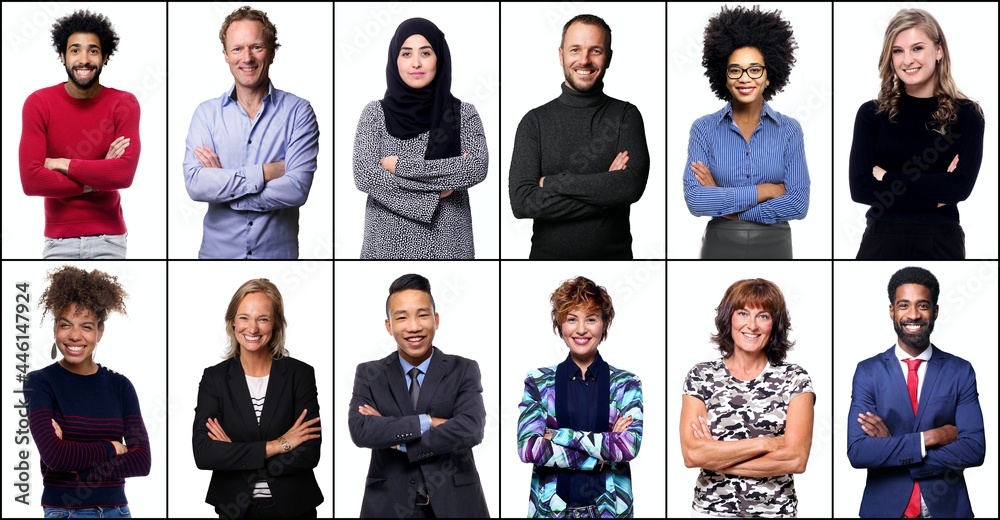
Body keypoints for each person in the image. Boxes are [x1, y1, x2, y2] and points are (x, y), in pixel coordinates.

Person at [847, 267, 985, 518]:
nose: (913, 315)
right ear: (891, 311)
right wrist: (931, 437)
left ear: (935, 311)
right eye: (903, 306)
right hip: (884, 509)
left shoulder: (960, 370)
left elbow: (974, 450)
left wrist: (891, 449)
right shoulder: (867, 372)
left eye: (922, 306)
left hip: (948, 509)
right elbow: (858, 452)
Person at [509, 14, 650, 259]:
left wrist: (551, 183)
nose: (584, 60)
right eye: (575, 50)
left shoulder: (626, 116)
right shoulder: (534, 122)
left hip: (614, 264)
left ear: (609, 58)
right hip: (546, 263)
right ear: (561, 55)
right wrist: (606, 197)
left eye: (595, 50)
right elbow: (523, 203)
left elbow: (630, 187)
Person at [184, 5, 319, 259]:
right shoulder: (206, 114)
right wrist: (265, 172)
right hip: (216, 258)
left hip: (278, 260)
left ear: (272, 52)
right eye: (237, 48)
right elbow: (196, 185)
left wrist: (226, 188)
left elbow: (296, 189)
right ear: (226, 54)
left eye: (256, 47)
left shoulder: (299, 112)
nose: (247, 58)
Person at [348, 273, 489, 517]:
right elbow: (361, 430)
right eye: (401, 317)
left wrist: (401, 442)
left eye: (423, 315)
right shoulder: (370, 373)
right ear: (389, 326)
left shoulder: (463, 368)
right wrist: (429, 422)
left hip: (456, 505)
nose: (414, 326)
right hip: (388, 506)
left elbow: (471, 429)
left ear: (436, 319)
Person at [848, 9, 984, 259]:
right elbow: (860, 189)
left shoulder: (967, 115)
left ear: (939, 50)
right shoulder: (871, 114)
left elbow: (959, 189)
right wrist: (935, 195)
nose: (907, 60)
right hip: (881, 239)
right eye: (898, 51)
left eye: (917, 48)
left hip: (940, 240)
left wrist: (887, 176)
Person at [353, 18, 488, 259]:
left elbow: (475, 168)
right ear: (395, 60)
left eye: (425, 53)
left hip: (448, 244)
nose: (416, 63)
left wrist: (399, 166)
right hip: (386, 246)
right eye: (406, 54)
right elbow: (365, 176)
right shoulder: (375, 113)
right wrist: (437, 191)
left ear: (440, 58)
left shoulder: (462, 114)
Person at [682, 6, 810, 259]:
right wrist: (766, 190)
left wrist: (728, 206)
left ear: (768, 76)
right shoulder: (703, 129)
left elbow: (798, 203)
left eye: (754, 69)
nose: (745, 78)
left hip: (776, 243)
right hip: (720, 243)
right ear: (724, 76)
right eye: (735, 70)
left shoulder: (789, 130)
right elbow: (696, 201)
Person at [680, 278, 814, 517]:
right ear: (728, 318)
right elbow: (692, 455)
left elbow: (795, 459)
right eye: (743, 313)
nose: (752, 325)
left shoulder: (795, 378)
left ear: (774, 324)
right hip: (711, 512)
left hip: (775, 512)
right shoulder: (701, 375)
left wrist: (715, 454)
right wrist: (768, 443)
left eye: (763, 316)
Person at [23, 266, 151, 517]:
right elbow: (55, 457)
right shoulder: (39, 383)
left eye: (87, 326)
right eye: (65, 324)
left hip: (117, 511)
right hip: (65, 511)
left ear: (100, 332)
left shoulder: (121, 386)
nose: (74, 336)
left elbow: (142, 461)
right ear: (54, 328)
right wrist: (112, 447)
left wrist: (74, 464)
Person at [192, 279, 323, 518]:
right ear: (232, 322)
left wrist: (234, 453)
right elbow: (204, 453)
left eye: (263, 319)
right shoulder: (214, 378)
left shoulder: (300, 374)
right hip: (235, 509)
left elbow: (309, 452)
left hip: (294, 509)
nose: (252, 329)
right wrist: (279, 444)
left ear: (275, 325)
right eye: (244, 318)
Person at [18, 10, 140, 259]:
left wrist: (60, 163)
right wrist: (98, 175)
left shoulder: (124, 103)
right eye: (75, 50)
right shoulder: (38, 103)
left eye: (93, 51)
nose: (84, 59)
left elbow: (123, 175)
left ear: (105, 56)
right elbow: (31, 181)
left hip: (110, 238)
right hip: (58, 239)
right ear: (62, 56)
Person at [517, 276, 643, 517]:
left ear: (604, 324)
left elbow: (627, 447)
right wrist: (600, 455)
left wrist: (556, 435)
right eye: (572, 319)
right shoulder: (538, 382)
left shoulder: (626, 383)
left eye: (591, 319)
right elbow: (529, 448)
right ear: (560, 324)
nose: (581, 329)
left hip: (609, 510)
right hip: (551, 510)